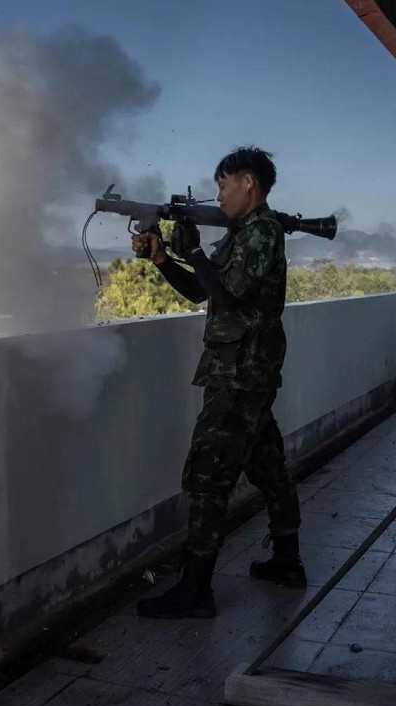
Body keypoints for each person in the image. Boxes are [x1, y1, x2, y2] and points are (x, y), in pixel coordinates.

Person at [130, 146, 306, 620]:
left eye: (224, 184)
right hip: (245, 370)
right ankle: (288, 561)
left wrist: (192, 250)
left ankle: (195, 589)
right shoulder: (244, 233)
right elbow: (203, 290)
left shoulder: (262, 231)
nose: (219, 194)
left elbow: (228, 291)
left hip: (241, 372)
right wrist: (166, 258)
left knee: (208, 475)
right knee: (268, 465)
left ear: (248, 181)